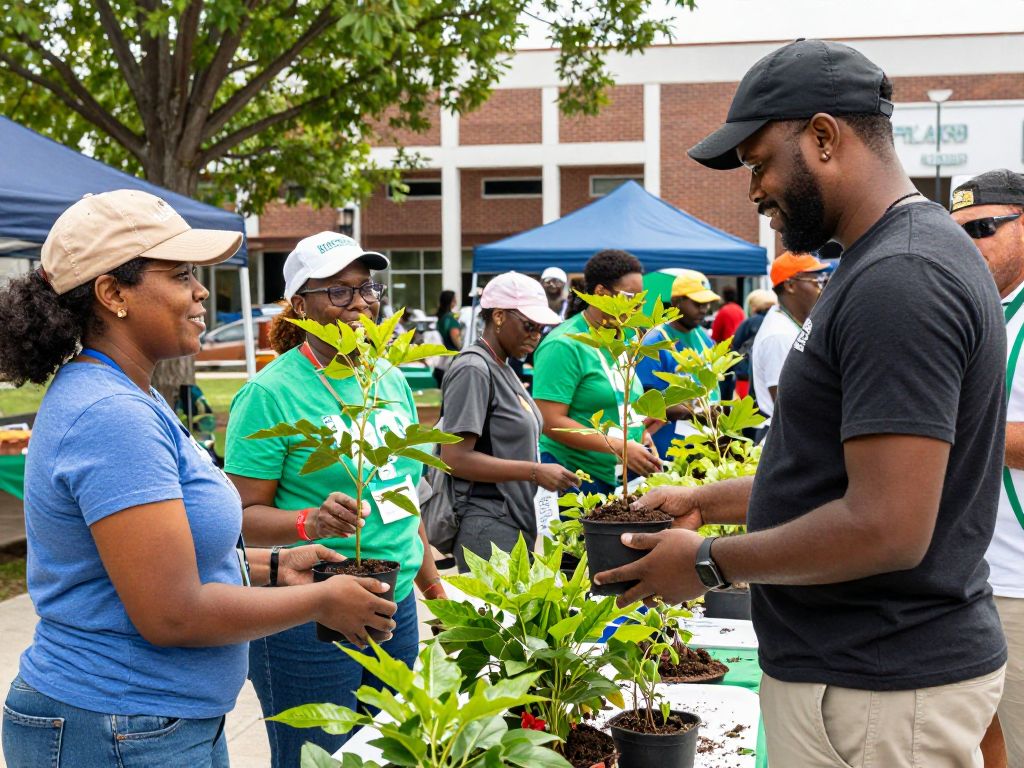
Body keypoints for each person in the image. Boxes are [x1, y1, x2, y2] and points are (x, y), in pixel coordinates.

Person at [593, 39, 1007, 768]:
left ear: (822, 136)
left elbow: (886, 527)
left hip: (878, 691)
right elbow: (842, 482)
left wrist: (710, 564)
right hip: (865, 681)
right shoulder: (885, 261)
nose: (754, 189)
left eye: (759, 162)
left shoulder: (901, 277)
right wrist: (705, 497)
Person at [0, 192, 396, 768]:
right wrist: (319, 601)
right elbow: (172, 613)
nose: (201, 290)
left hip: (151, 721)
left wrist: (277, 567)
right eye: (182, 274)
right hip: (117, 724)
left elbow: (161, 559)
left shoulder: (134, 393)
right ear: (113, 295)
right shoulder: (111, 415)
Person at [224, 231, 443, 767]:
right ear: (300, 305)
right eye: (338, 293)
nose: (360, 304)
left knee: (391, 750)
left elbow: (403, 494)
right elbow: (240, 520)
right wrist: (310, 521)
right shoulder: (269, 393)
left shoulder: (387, 379)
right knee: (317, 755)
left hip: (395, 603)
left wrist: (433, 585)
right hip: (306, 610)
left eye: (367, 289)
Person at [950, 169, 1024, 768]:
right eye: (958, 234)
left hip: (1020, 582)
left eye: (984, 228)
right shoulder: (984, 313)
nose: (968, 245)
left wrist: (937, 431)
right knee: (982, 738)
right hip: (971, 574)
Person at [440, 272, 578, 570]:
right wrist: (534, 472)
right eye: (529, 325)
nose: (536, 335)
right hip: (488, 522)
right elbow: (455, 458)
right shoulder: (473, 368)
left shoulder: (502, 365)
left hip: (513, 519)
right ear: (499, 316)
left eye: (541, 328)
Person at [533, 249, 662, 495]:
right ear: (601, 292)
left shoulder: (625, 336)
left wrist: (640, 434)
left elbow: (619, 397)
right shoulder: (564, 344)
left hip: (615, 475)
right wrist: (620, 446)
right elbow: (549, 421)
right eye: (629, 296)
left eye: (641, 298)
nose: (637, 306)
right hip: (572, 477)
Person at [636, 270, 721, 459]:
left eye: (707, 303)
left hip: (704, 440)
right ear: (676, 302)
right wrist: (694, 412)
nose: (703, 309)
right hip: (667, 447)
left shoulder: (704, 338)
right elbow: (647, 402)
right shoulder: (655, 342)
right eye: (697, 303)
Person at [750, 252, 827, 423]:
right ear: (790, 285)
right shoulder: (779, 334)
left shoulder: (788, 323)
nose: (820, 289)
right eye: (815, 281)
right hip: (790, 437)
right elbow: (788, 404)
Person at [731, 289, 777, 400]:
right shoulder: (776, 320)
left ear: (753, 306)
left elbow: (735, 345)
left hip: (745, 375)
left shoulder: (750, 322)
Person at [710, 285, 745, 399]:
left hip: (726, 352)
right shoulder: (740, 310)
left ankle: (724, 409)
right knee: (735, 384)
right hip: (739, 351)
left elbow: (715, 334)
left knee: (723, 383)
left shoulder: (723, 311)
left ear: (724, 296)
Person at [433, 289, 462, 387]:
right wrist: (462, 349)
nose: (456, 302)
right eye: (455, 299)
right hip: (450, 361)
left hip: (441, 361)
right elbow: (455, 336)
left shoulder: (441, 318)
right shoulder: (450, 319)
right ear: (451, 301)